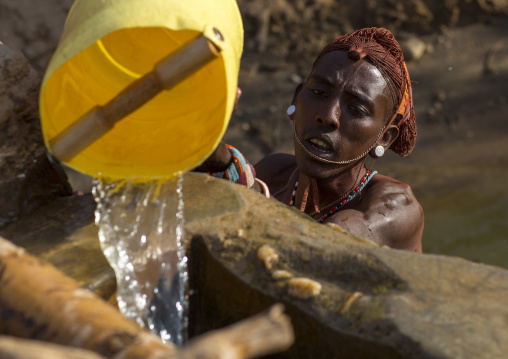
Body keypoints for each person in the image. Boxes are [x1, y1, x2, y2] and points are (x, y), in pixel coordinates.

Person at [196, 28, 423, 253]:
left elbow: (321, 246)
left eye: (356, 109)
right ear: (296, 98)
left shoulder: (397, 208)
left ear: (384, 138)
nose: (328, 116)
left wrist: (229, 167)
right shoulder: (274, 172)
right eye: (319, 93)